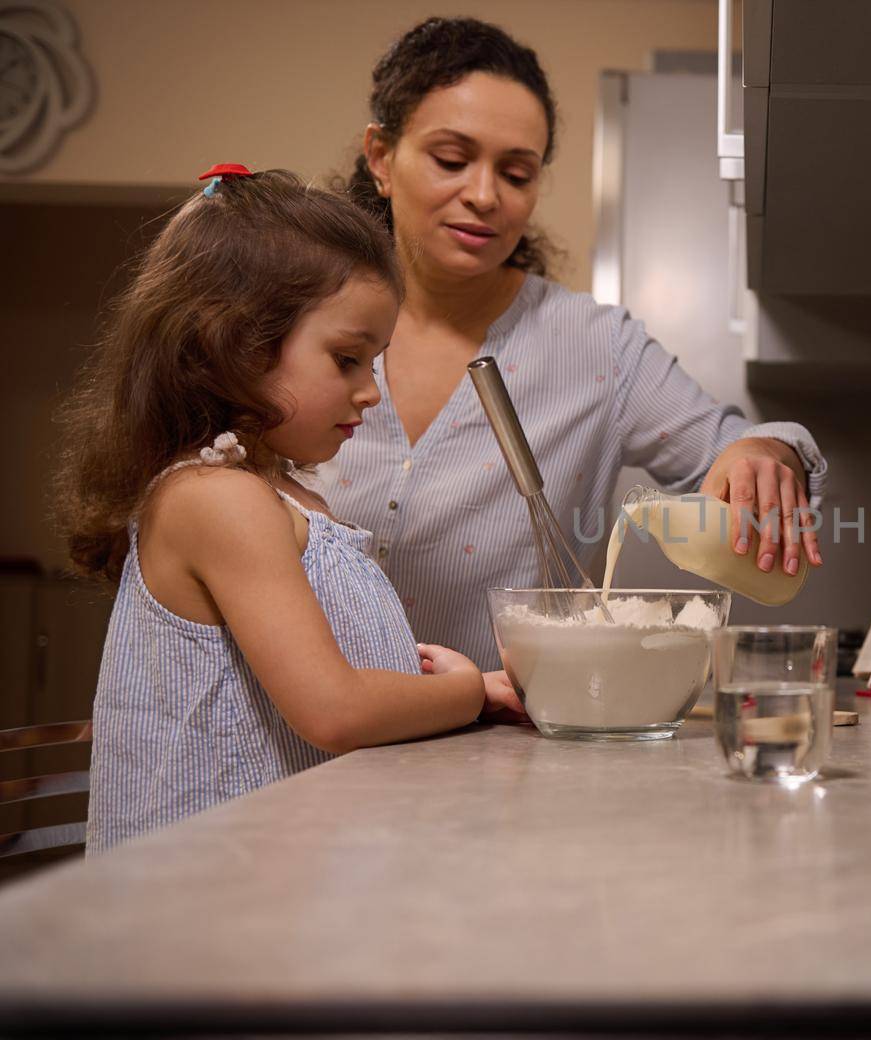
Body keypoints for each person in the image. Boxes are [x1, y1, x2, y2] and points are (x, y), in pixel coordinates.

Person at [330, 17, 828, 670]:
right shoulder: (304, 322)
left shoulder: (597, 348)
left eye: (516, 174)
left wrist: (768, 454)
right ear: (380, 158)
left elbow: (737, 452)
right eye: (451, 160)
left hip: (496, 750)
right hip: (303, 747)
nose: (484, 195)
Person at [56, 166, 525, 852]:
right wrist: (468, 694)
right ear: (235, 344)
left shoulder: (283, 496)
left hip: (290, 870)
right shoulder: (215, 500)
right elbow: (333, 710)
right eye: (346, 359)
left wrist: (472, 683)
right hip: (207, 899)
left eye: (376, 362)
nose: (371, 391)